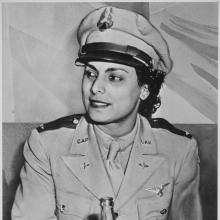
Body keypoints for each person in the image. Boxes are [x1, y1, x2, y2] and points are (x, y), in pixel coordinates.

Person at [11, 6, 202, 220]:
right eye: (91, 73)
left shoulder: (179, 150)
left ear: (144, 89)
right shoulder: (46, 145)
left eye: (114, 77)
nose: (95, 88)